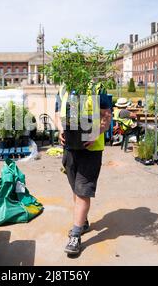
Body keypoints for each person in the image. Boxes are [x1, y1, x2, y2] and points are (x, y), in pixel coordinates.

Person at [55, 82, 112, 255]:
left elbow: (107, 115)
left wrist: (97, 132)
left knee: (82, 192)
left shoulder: (96, 89)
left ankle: (76, 235)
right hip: (70, 148)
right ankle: (83, 221)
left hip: (91, 150)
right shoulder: (63, 88)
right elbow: (58, 114)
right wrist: (60, 130)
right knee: (76, 189)